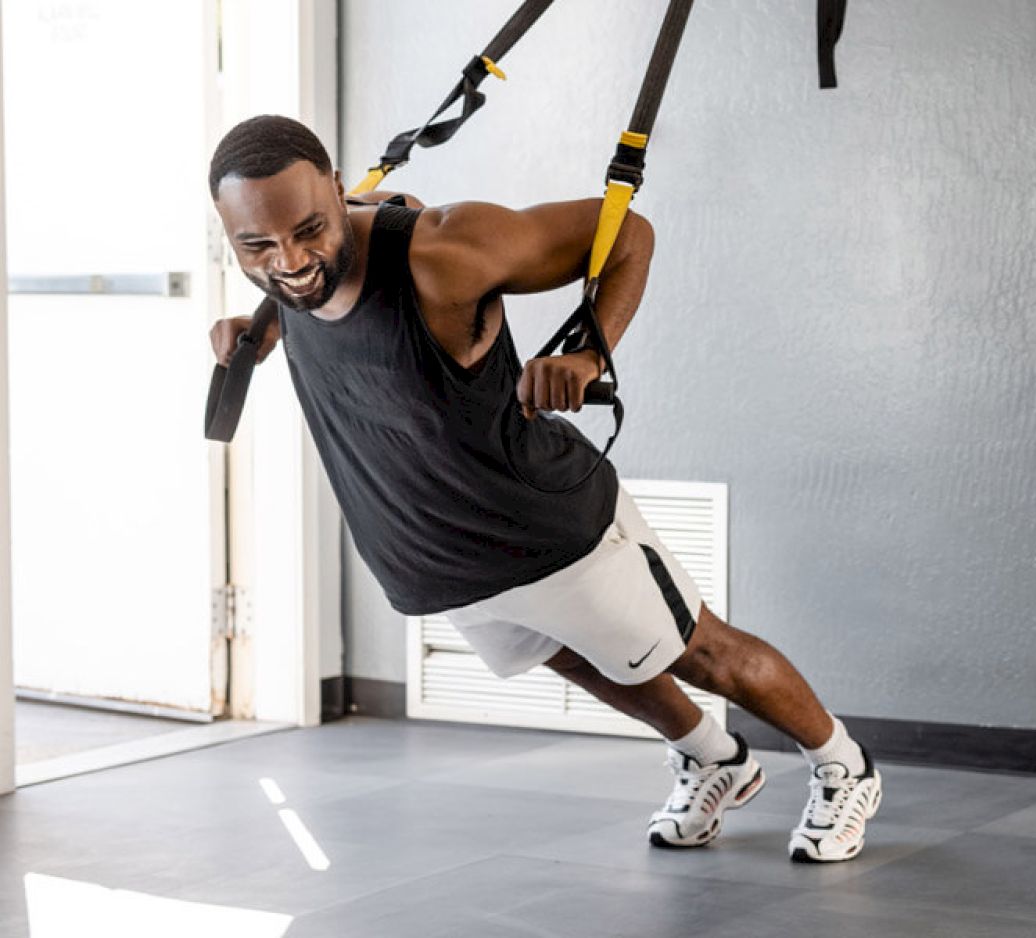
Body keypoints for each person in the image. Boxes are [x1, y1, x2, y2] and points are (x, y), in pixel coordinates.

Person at [206, 114, 881, 863]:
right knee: (569, 653)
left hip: (550, 528)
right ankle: (712, 756)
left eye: (310, 231)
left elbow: (628, 234)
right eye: (258, 247)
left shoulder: (446, 252)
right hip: (434, 559)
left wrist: (591, 353)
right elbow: (321, 308)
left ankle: (845, 766)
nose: (291, 261)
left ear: (338, 191)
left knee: (700, 651)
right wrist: (257, 330)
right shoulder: (287, 282)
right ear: (229, 234)